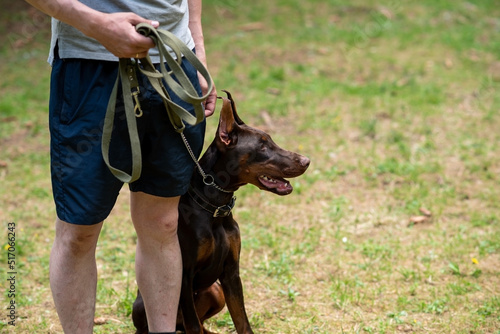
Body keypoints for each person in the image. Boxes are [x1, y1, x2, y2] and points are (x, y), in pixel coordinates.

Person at [25, 1, 217, 333]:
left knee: (163, 223)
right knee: (78, 233)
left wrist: (196, 45)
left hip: (173, 61)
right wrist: (95, 24)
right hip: (88, 65)